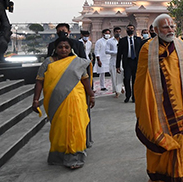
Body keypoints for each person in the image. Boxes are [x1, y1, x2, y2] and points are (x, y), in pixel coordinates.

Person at [134, 14, 183, 182]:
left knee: (181, 136)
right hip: (157, 104)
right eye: (166, 27)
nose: (170, 30)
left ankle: (179, 171)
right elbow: (141, 80)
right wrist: (145, 105)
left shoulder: (182, 46)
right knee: (157, 139)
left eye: (172, 26)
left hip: (181, 103)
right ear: (155, 30)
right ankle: (154, 176)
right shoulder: (147, 49)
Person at [32, 37, 95, 169]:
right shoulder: (47, 63)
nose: (64, 50)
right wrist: (36, 99)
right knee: (59, 127)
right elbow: (39, 81)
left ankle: (75, 156)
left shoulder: (76, 62)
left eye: (66, 47)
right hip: (55, 101)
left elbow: (85, 80)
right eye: (60, 47)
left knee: (74, 126)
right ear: (55, 48)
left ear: (71, 48)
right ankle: (58, 155)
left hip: (75, 99)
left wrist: (91, 95)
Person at [117, 24, 142, 103]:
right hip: (127, 62)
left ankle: (134, 96)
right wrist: (117, 66)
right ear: (126, 30)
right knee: (127, 79)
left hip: (136, 62)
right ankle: (128, 95)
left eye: (131, 28)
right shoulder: (122, 40)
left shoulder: (138, 39)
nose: (130, 30)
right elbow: (119, 54)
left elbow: (142, 52)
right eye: (128, 29)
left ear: (134, 30)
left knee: (135, 80)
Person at [94, 29, 111, 94]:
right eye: (106, 33)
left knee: (113, 73)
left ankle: (115, 86)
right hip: (102, 59)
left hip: (109, 59)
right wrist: (98, 60)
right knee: (102, 73)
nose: (107, 35)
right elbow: (96, 51)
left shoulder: (111, 40)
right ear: (103, 34)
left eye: (109, 33)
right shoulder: (99, 41)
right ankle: (102, 86)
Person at [105, 26, 121, 94]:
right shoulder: (109, 41)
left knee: (120, 76)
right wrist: (116, 53)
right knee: (114, 76)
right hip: (113, 60)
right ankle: (116, 90)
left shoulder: (122, 40)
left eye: (119, 32)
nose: (118, 33)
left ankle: (120, 88)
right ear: (114, 32)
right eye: (116, 32)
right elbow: (106, 51)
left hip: (121, 61)